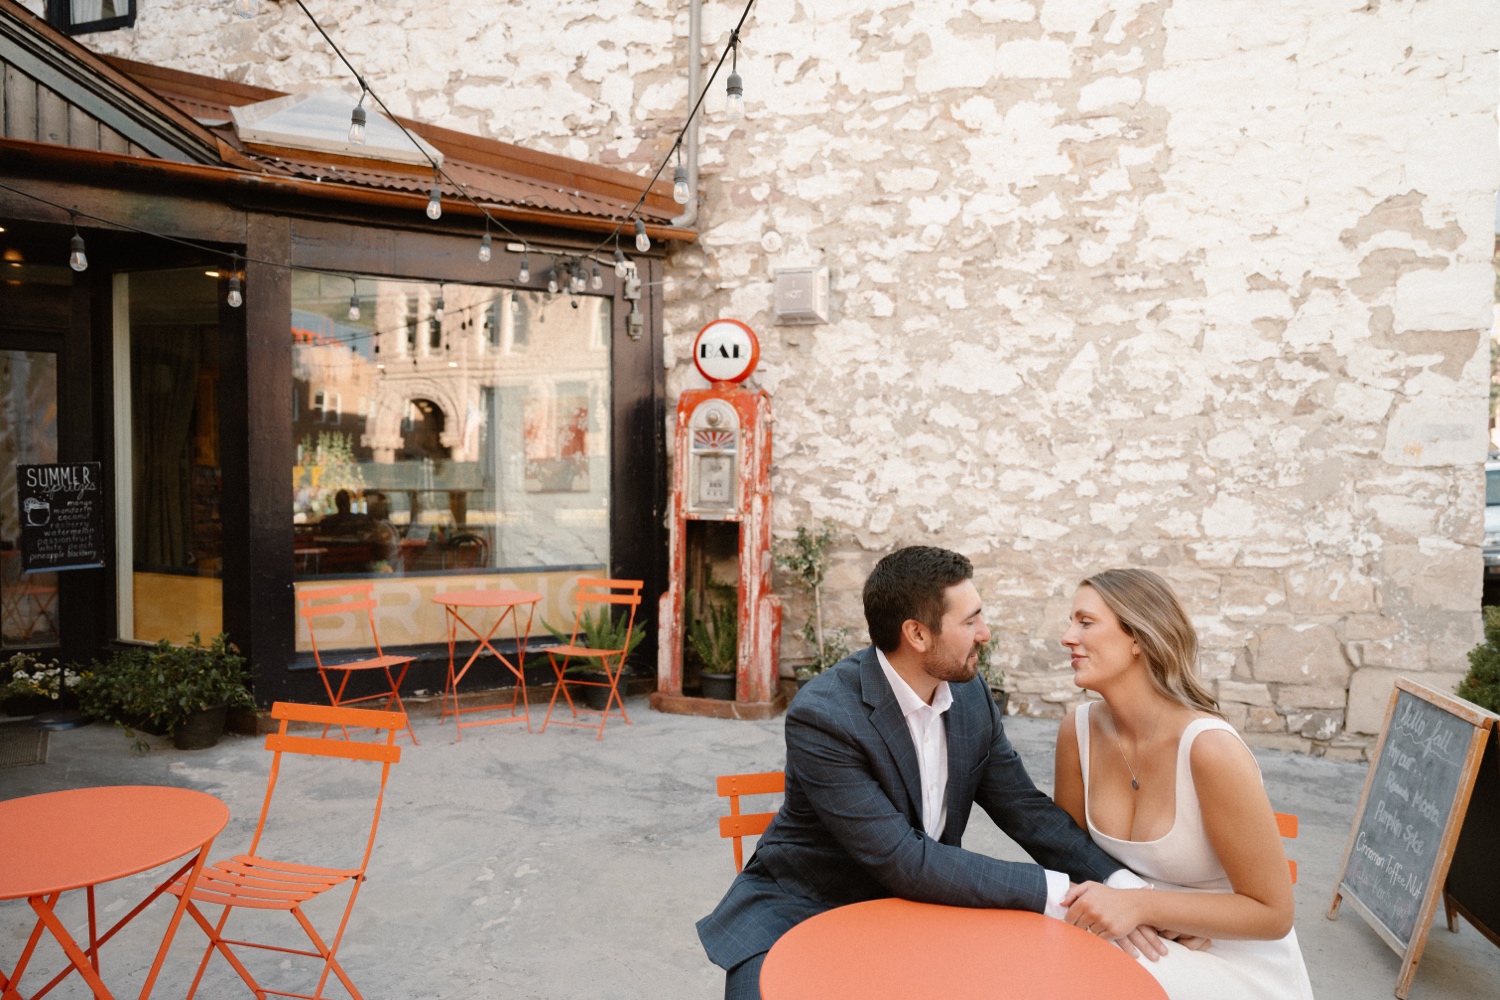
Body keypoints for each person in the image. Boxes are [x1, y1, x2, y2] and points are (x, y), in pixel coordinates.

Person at [697, 546, 1156, 1000]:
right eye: (970, 620)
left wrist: (1128, 891)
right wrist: (1065, 894)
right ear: (917, 634)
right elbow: (904, 859)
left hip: (920, 906)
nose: (985, 633)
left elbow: (1025, 810)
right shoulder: (825, 715)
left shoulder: (970, 694)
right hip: (805, 904)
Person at [1053, 569, 1314, 1000]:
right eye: (1071, 621)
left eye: (1085, 622)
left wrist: (1145, 906)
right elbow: (1070, 857)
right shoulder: (1076, 732)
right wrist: (1132, 908)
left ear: (1138, 638)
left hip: (1232, 958)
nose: (1067, 637)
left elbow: (1274, 913)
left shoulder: (1209, 749)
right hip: (1134, 937)